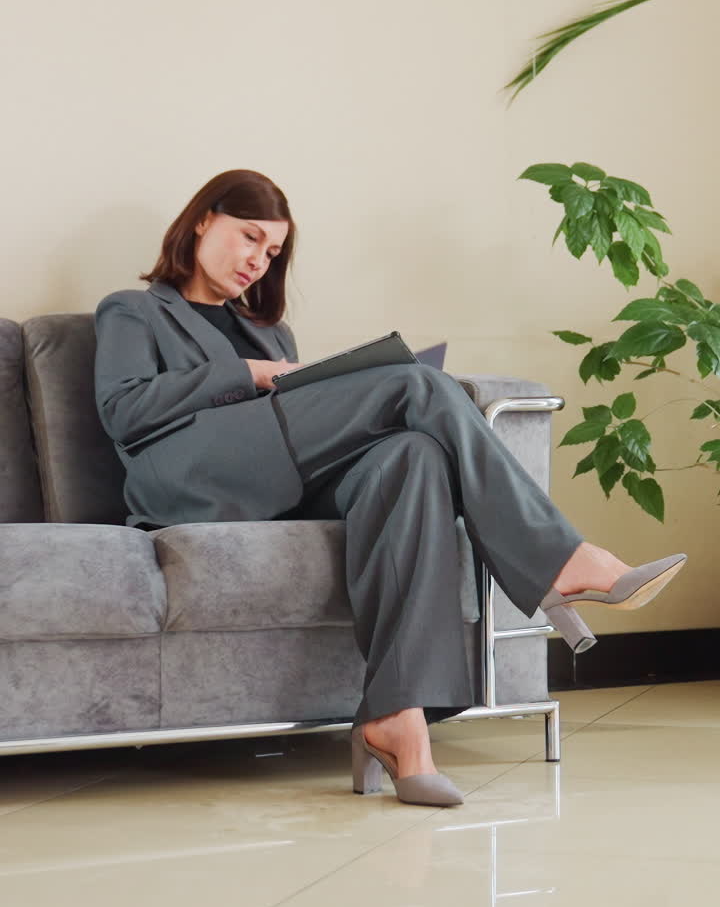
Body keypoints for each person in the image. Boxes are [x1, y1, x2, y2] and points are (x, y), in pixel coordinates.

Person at [94, 169, 686, 808]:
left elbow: (300, 436)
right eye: (249, 238)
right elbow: (124, 411)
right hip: (185, 478)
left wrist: (285, 370)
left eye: (271, 253)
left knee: (413, 456)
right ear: (203, 219)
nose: (257, 261)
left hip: (274, 479)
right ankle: (562, 562)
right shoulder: (134, 309)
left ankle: (397, 721)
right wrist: (253, 374)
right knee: (418, 384)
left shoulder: (273, 331)